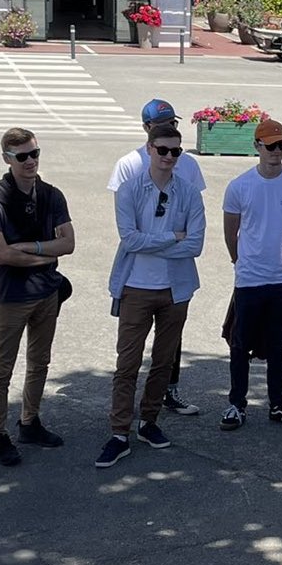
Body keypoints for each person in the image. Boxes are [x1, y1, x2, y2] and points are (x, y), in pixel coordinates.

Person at [99, 121, 206, 468]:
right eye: (163, 150)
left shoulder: (188, 192)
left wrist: (163, 241)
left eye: (176, 151)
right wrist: (173, 237)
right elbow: (129, 240)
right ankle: (119, 432)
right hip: (136, 287)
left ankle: (149, 422)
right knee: (127, 363)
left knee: (163, 361)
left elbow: (196, 244)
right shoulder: (130, 189)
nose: (169, 157)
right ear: (149, 149)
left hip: (176, 289)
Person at [0, 128, 76, 467]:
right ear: (6, 158)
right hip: (11, 297)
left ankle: (29, 421)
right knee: (2, 368)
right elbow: (2, 255)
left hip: (46, 293)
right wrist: (47, 256)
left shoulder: (51, 194)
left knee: (40, 361)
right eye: (22, 156)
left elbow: (69, 243)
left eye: (34, 154)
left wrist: (31, 250)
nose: (30, 161)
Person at [218, 118, 282, 430]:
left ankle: (278, 403)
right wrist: (241, 262)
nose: (277, 151)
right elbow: (231, 233)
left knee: (278, 345)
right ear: (257, 146)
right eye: (270, 145)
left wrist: (279, 255)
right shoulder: (239, 186)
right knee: (240, 344)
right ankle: (236, 403)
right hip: (249, 279)